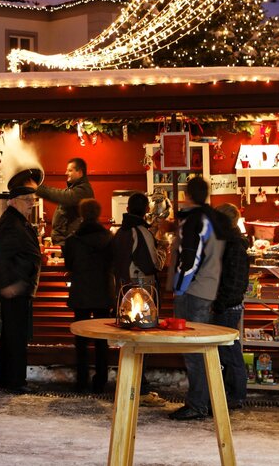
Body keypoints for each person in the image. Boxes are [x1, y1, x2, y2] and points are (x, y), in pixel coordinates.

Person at [169, 176, 228, 421]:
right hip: (210, 288)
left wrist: (179, 288)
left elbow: (190, 259)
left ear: (188, 195)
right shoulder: (215, 218)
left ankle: (197, 404)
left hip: (193, 291)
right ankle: (205, 400)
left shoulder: (195, 220)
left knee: (193, 351)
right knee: (203, 350)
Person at [109, 191, 168, 406]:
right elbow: (152, 264)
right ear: (146, 210)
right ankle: (139, 389)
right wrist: (162, 248)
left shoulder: (120, 231)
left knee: (129, 339)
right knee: (142, 338)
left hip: (123, 289)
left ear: (127, 209)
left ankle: (129, 384)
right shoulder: (141, 231)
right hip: (141, 290)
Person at [0, 176, 43, 395]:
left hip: (18, 286)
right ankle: (15, 381)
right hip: (15, 288)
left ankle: (5, 378)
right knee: (16, 335)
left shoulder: (17, 220)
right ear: (13, 201)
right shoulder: (12, 223)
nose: (32, 203)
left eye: (33, 199)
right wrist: (6, 284)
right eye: (27, 200)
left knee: (11, 334)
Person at [63, 199, 114, 393]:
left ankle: (81, 380)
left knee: (81, 340)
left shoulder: (73, 240)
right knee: (102, 340)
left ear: (81, 214)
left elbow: (69, 265)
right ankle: (101, 380)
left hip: (81, 293)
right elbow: (113, 263)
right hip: (102, 293)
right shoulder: (109, 238)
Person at [213, 203, 251, 411]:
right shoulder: (232, 243)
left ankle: (236, 394)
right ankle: (233, 392)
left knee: (229, 351)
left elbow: (233, 281)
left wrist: (220, 303)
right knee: (227, 350)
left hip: (228, 306)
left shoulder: (233, 246)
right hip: (229, 304)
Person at [36, 157, 94, 246]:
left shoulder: (83, 191)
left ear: (79, 172)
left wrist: (37, 189)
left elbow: (61, 196)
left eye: (70, 170)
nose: (66, 173)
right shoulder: (74, 189)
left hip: (71, 243)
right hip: (67, 242)